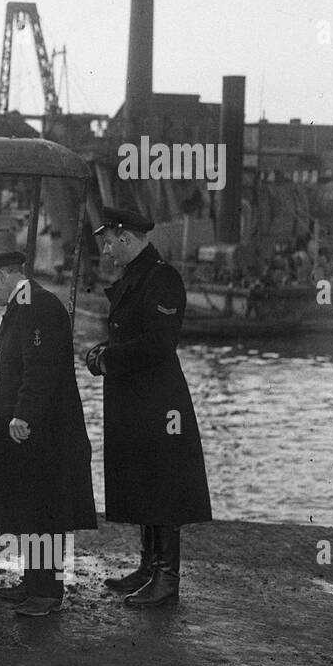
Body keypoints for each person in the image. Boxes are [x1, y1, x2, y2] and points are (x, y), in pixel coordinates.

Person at [86, 208, 211, 607]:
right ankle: (148, 567)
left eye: (108, 241)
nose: (106, 250)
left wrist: (108, 359)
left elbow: (159, 343)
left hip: (158, 401)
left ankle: (166, 578)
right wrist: (105, 353)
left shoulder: (162, 278)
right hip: (136, 397)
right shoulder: (138, 276)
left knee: (163, 485)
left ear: (126, 237)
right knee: (142, 478)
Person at [0, 250, 97, 617]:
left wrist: (23, 414)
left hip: (43, 432)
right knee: (31, 507)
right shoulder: (25, 304)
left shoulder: (35, 305)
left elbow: (39, 368)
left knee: (44, 512)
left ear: (0, 275)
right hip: (32, 430)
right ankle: (34, 582)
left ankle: (46, 593)